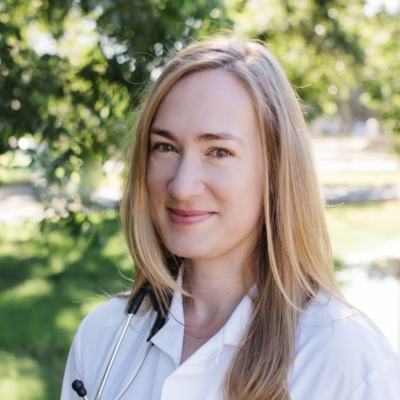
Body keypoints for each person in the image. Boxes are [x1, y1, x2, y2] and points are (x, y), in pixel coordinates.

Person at [61, 37, 400, 400]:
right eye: (166, 147)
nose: (182, 186)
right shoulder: (103, 335)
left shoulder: (347, 364)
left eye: (219, 152)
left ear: (276, 171)